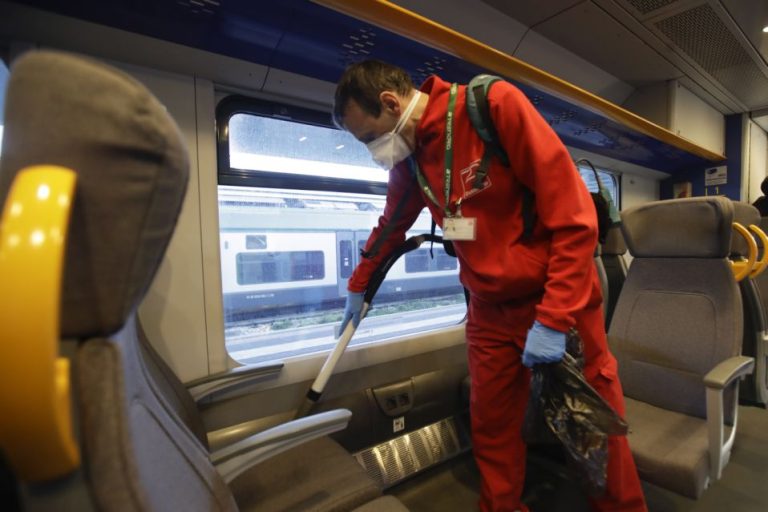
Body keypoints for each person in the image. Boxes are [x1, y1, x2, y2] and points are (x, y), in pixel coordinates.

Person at [333, 59, 647, 512]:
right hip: (487, 311)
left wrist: (555, 317)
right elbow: (390, 226)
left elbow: (576, 220)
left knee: (592, 426)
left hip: (556, 299)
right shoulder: (410, 158)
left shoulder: (491, 106)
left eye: (368, 137)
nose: (372, 150)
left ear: (389, 103)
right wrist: (357, 286)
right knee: (493, 427)